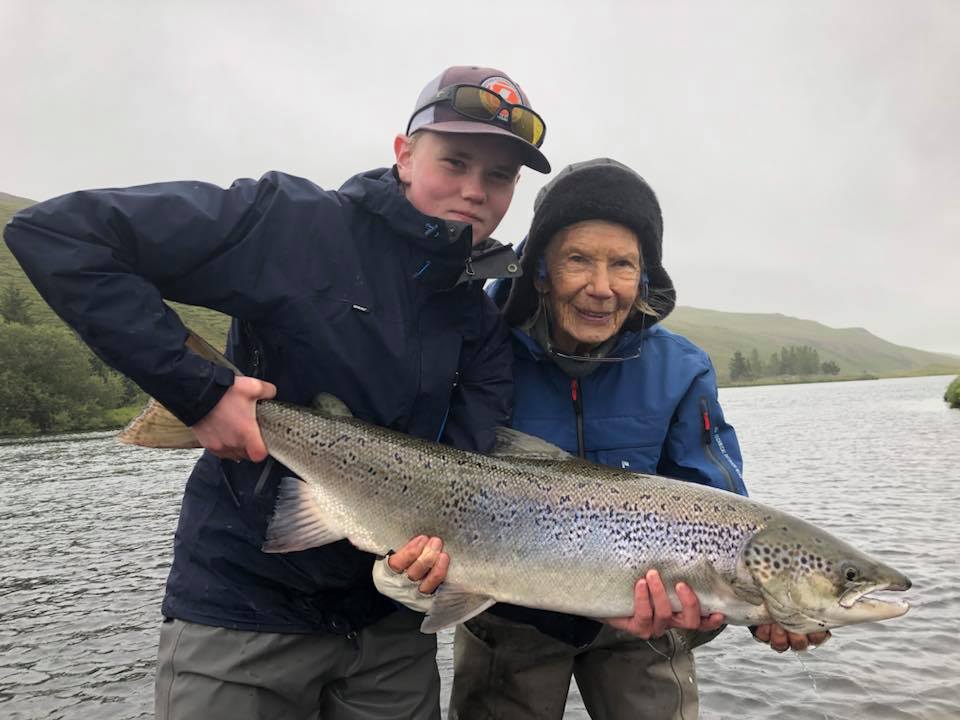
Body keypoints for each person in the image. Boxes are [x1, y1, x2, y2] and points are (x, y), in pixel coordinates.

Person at [3, 65, 550, 720]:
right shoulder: (292, 224)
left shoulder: (480, 327)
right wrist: (198, 391)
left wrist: (439, 553)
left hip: (388, 641)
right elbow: (59, 234)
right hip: (241, 612)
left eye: (498, 178)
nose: (473, 191)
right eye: (454, 161)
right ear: (404, 155)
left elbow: (460, 477)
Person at [443, 158, 831, 719]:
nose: (601, 289)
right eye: (578, 259)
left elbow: (719, 510)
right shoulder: (480, 347)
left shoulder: (682, 369)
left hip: (646, 627)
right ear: (540, 270)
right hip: (507, 612)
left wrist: (777, 607)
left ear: (644, 276)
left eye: (623, 265)